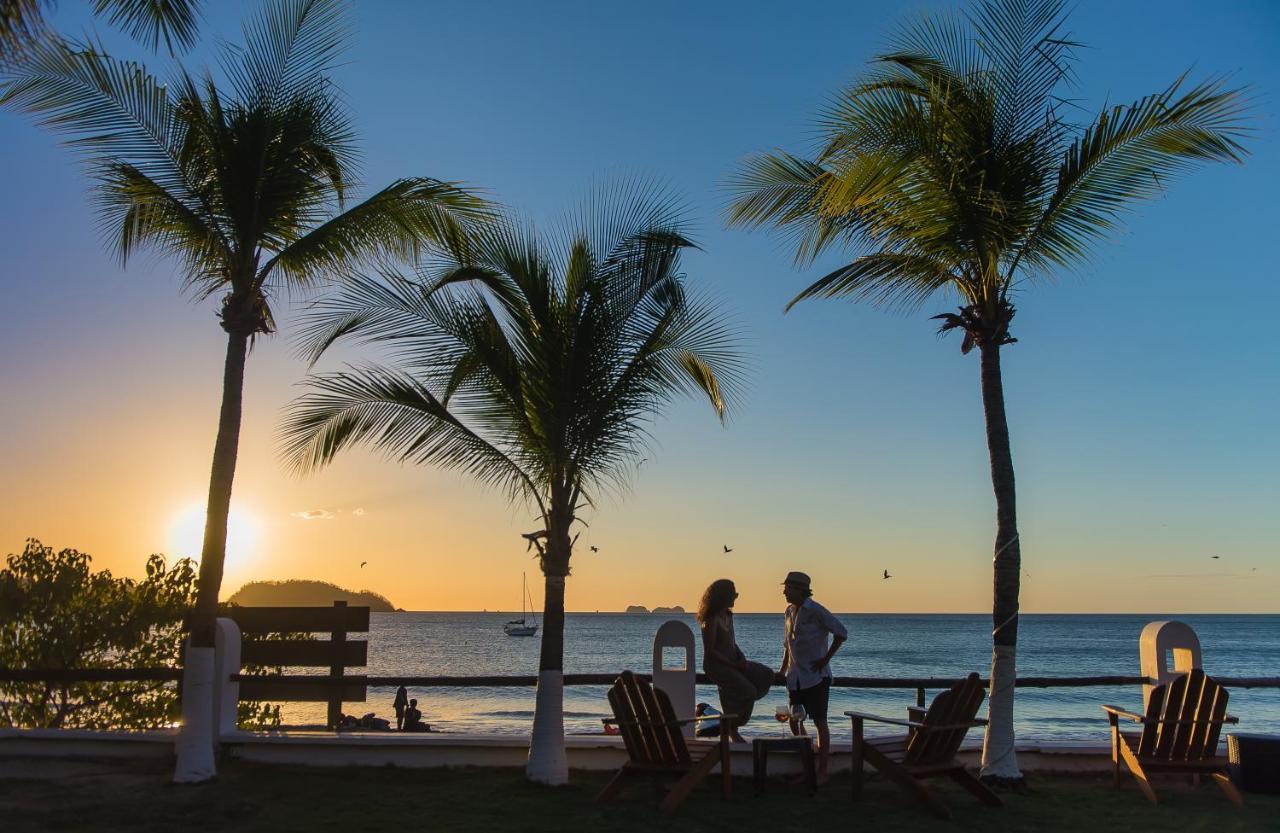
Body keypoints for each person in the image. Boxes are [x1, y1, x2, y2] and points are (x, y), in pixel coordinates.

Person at [780, 571, 847, 783]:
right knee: (795, 720)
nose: (784, 592)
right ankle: (806, 766)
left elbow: (841, 632)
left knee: (820, 722)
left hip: (816, 677)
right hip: (795, 676)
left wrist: (825, 659)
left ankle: (823, 772)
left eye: (788, 588)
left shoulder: (816, 611)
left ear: (800, 590)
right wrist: (782, 670)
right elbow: (788, 645)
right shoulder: (789, 611)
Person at [697, 578, 773, 743]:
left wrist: (741, 658)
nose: (735, 598)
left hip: (732, 661)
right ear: (723, 596)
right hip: (717, 665)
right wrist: (733, 665)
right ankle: (729, 726)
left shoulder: (728, 616)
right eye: (733, 594)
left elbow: (731, 642)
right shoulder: (710, 619)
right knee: (749, 692)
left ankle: (727, 722)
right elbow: (710, 651)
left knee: (766, 675)